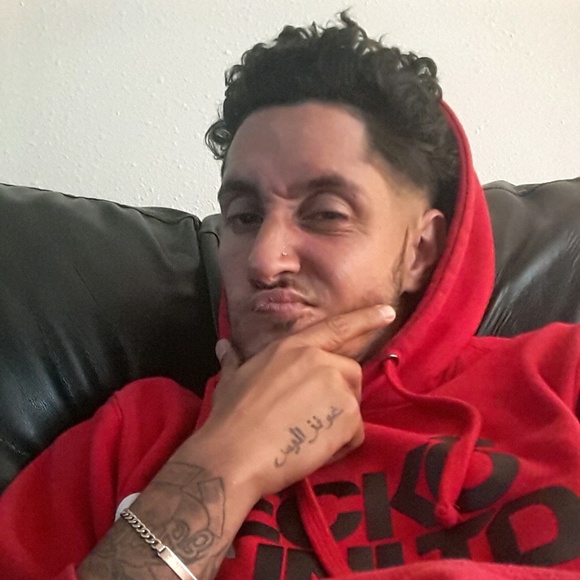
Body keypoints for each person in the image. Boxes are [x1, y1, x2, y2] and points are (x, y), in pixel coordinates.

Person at [1, 12, 579, 580]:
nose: (263, 259)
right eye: (244, 216)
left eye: (326, 214)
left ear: (420, 251)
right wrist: (223, 461)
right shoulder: (130, 438)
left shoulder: (561, 378)